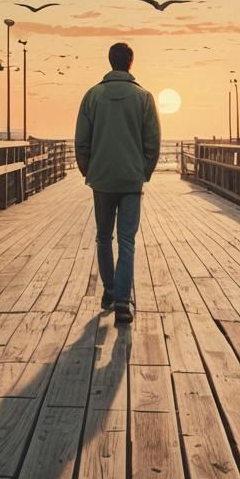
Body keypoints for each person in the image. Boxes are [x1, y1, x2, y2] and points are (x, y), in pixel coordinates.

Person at [74, 42, 161, 324]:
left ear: (110, 62)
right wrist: (143, 171)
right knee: (126, 240)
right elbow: (153, 142)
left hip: (101, 179)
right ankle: (123, 301)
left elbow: (81, 141)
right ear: (130, 63)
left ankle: (110, 290)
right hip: (131, 179)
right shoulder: (144, 97)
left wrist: (89, 170)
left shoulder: (92, 96)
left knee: (103, 237)